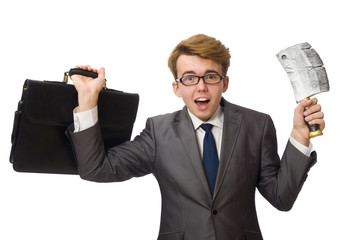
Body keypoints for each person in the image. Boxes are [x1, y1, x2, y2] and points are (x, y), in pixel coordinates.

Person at [67, 34, 325, 240]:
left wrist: (300, 136)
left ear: (224, 83)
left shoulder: (257, 125)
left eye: (210, 76)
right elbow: (96, 169)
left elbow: (281, 198)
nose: (201, 86)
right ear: (177, 88)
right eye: (190, 78)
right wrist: (88, 100)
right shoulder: (158, 132)